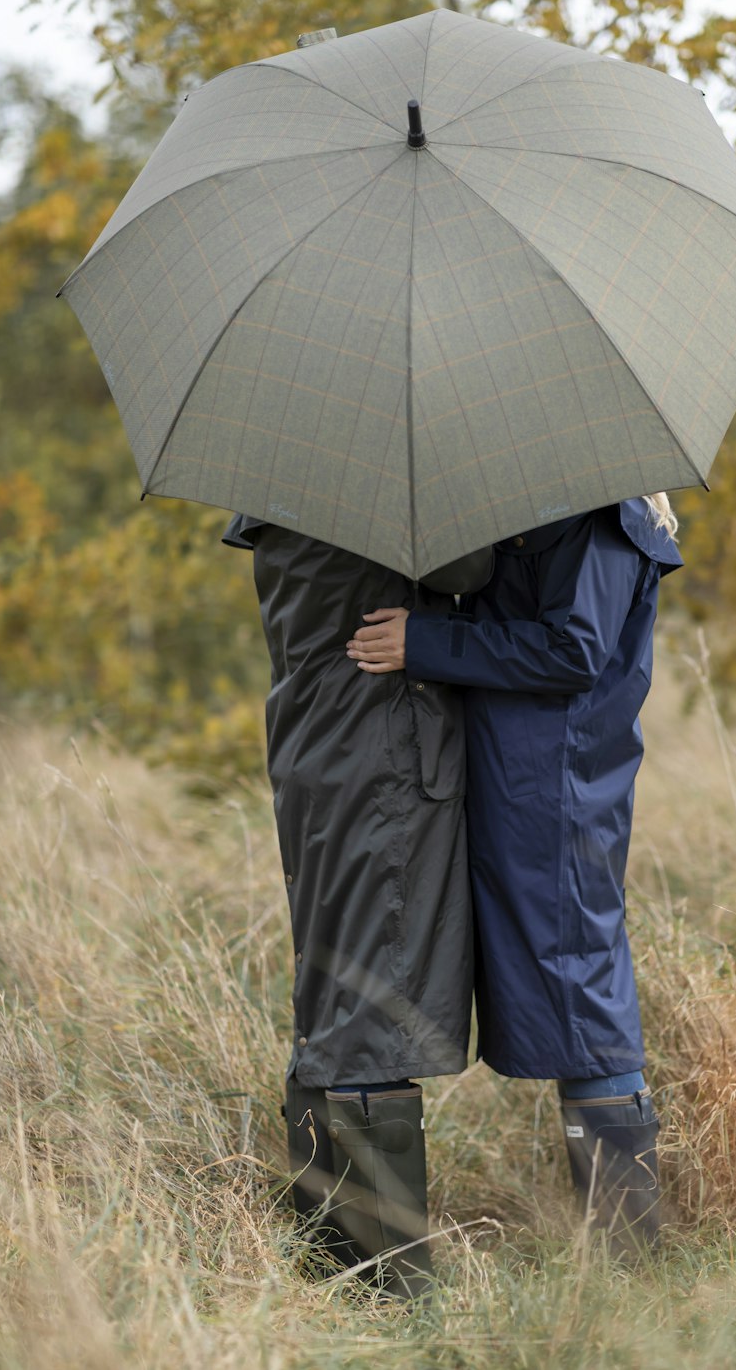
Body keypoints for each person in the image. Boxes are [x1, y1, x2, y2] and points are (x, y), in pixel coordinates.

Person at [347, 494, 682, 1256]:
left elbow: (573, 650)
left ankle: (629, 1258)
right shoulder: (561, 509)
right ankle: (620, 1257)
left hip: (557, 788)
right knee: (566, 986)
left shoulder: (606, 519)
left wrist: (427, 641)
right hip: (520, 782)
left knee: (581, 990)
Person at [223, 513, 491, 1297]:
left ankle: (328, 1260)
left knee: (333, 996)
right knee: (377, 1008)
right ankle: (397, 1287)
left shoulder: (283, 483)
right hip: (382, 770)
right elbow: (469, 564)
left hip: (320, 754)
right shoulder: (384, 494)